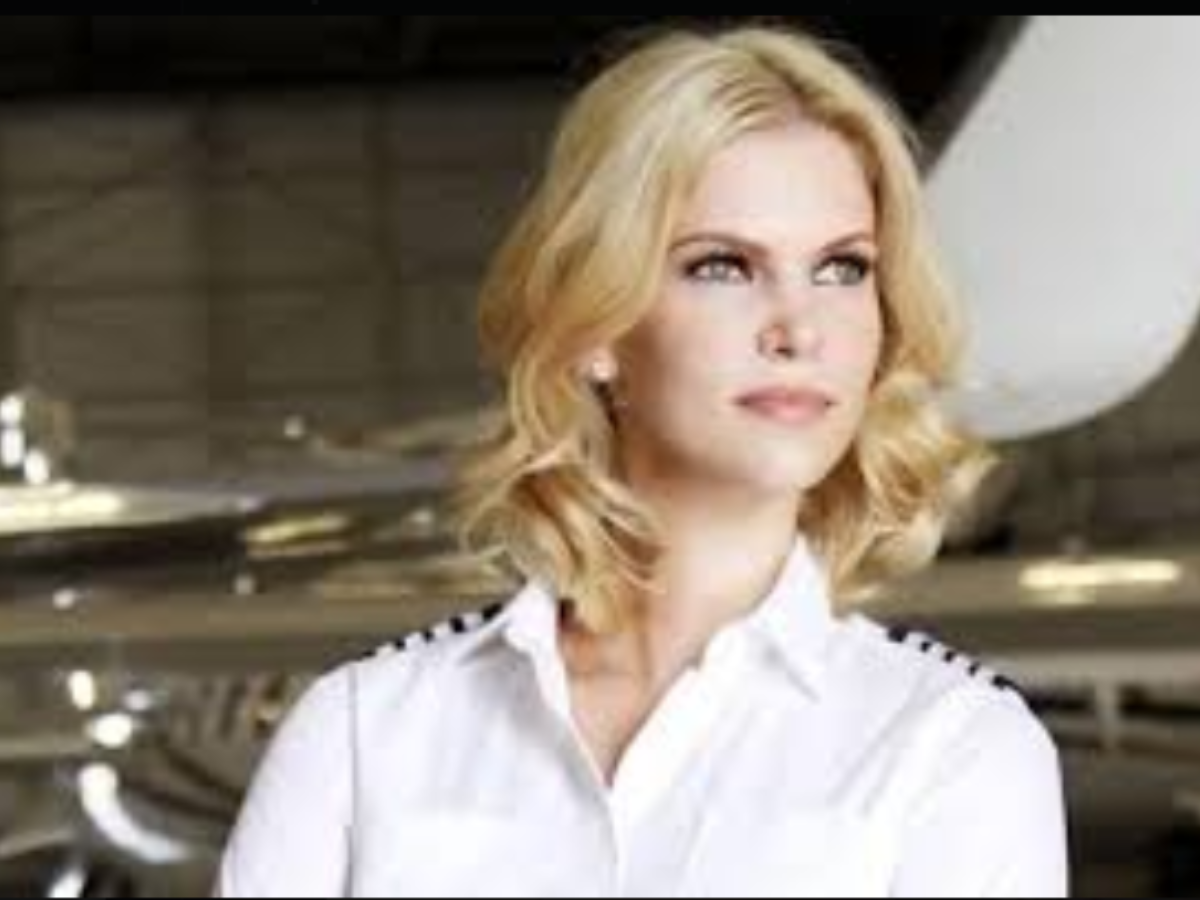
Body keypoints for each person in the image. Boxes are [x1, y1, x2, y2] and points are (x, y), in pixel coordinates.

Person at [218, 23, 1069, 898]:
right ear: (598, 327)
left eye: (842, 269)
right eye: (724, 266)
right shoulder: (364, 735)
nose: (799, 329)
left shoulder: (952, 746)